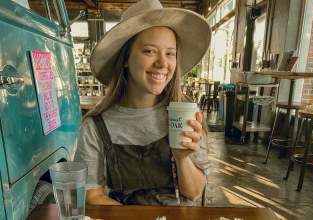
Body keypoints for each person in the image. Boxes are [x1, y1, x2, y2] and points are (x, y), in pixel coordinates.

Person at [74, 0, 211, 206]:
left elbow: (193, 193)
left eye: (170, 53)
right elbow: (92, 197)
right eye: (149, 51)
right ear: (126, 58)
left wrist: (182, 159)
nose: (163, 63)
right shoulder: (95, 127)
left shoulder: (184, 115)